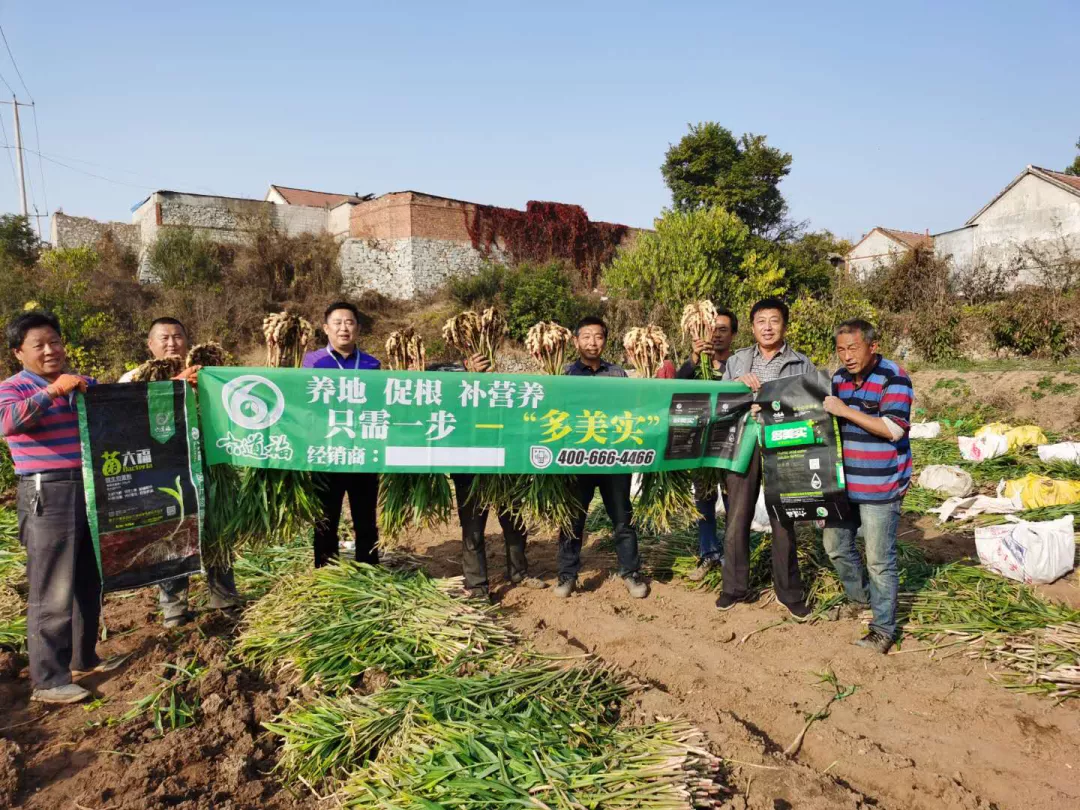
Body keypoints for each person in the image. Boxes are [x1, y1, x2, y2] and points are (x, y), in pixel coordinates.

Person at [0, 312, 125, 704]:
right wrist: (51, 393)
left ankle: (83, 657)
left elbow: (122, 407)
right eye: (39, 345)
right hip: (48, 492)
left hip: (88, 486)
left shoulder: (81, 385)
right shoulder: (13, 388)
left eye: (55, 341)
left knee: (89, 579)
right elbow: (7, 422)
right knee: (52, 586)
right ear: (19, 352)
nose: (51, 350)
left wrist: (172, 385)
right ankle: (48, 681)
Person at [120, 317, 243, 627]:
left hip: (209, 467)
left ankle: (224, 599)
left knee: (217, 531)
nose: (171, 343)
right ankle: (174, 607)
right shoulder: (134, 377)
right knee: (170, 537)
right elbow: (126, 418)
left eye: (177, 336)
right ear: (149, 344)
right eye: (164, 337)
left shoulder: (206, 375)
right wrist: (174, 386)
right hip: (164, 473)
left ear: (188, 341)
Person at [718, 297, 815, 618]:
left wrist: (777, 405)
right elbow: (720, 401)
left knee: (784, 519)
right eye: (761, 321)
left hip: (785, 444)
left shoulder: (801, 363)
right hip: (744, 441)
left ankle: (788, 592)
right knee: (737, 516)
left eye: (774, 320)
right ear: (753, 326)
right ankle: (734, 587)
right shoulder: (737, 361)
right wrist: (738, 388)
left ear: (785, 325)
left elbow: (812, 405)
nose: (768, 327)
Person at [822, 319, 914, 654]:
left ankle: (883, 629)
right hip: (845, 485)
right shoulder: (838, 379)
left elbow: (893, 429)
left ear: (872, 347)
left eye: (853, 348)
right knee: (835, 544)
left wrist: (845, 410)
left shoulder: (894, 377)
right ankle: (858, 598)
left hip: (880, 485)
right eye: (841, 349)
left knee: (879, 560)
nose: (846, 356)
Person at [436, 354, 547, 601]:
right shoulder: (452, 371)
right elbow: (431, 380)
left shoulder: (509, 364)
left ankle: (519, 572)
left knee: (514, 523)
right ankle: (477, 586)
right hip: (470, 462)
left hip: (506, 459)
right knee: (473, 528)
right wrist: (465, 370)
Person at [556, 316, 648, 599]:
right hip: (578, 458)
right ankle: (567, 575)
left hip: (613, 457)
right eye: (586, 336)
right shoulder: (564, 375)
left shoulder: (618, 374)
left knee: (622, 519)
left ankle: (630, 572)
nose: (592, 342)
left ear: (605, 341)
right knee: (573, 519)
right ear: (576, 341)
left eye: (598, 337)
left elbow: (632, 409)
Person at [301, 301, 381, 567]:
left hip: (362, 453)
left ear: (357, 328)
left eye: (349, 322)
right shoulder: (311, 362)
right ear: (326, 328)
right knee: (325, 518)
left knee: (365, 519)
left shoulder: (372, 364)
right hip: (326, 452)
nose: (343, 328)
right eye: (337, 323)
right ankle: (326, 573)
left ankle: (368, 570)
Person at [676, 307, 739, 581]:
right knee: (704, 503)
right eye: (711, 329)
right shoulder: (694, 365)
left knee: (733, 503)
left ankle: (734, 556)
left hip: (728, 447)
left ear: (734, 334)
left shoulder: (738, 364)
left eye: (723, 330)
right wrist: (694, 359)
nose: (716, 335)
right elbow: (675, 387)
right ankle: (708, 554)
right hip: (701, 447)